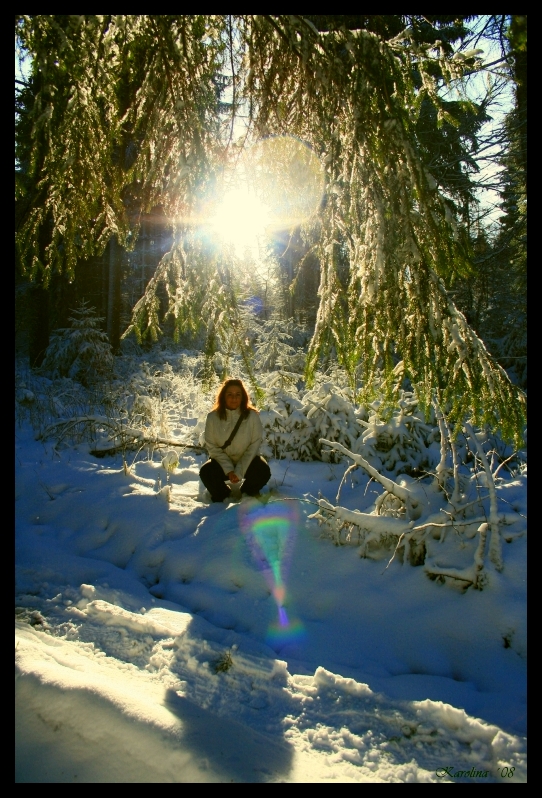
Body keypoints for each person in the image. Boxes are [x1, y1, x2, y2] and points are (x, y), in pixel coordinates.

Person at [200, 378, 271, 502]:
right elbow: (212, 447)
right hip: (221, 462)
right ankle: (222, 496)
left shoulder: (252, 417)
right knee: (206, 472)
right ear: (223, 396)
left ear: (243, 397)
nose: (234, 398)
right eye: (230, 395)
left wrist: (238, 472)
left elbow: (254, 446)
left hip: (246, 461)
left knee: (262, 470)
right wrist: (229, 470)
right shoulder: (212, 418)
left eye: (238, 394)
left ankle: (248, 494)